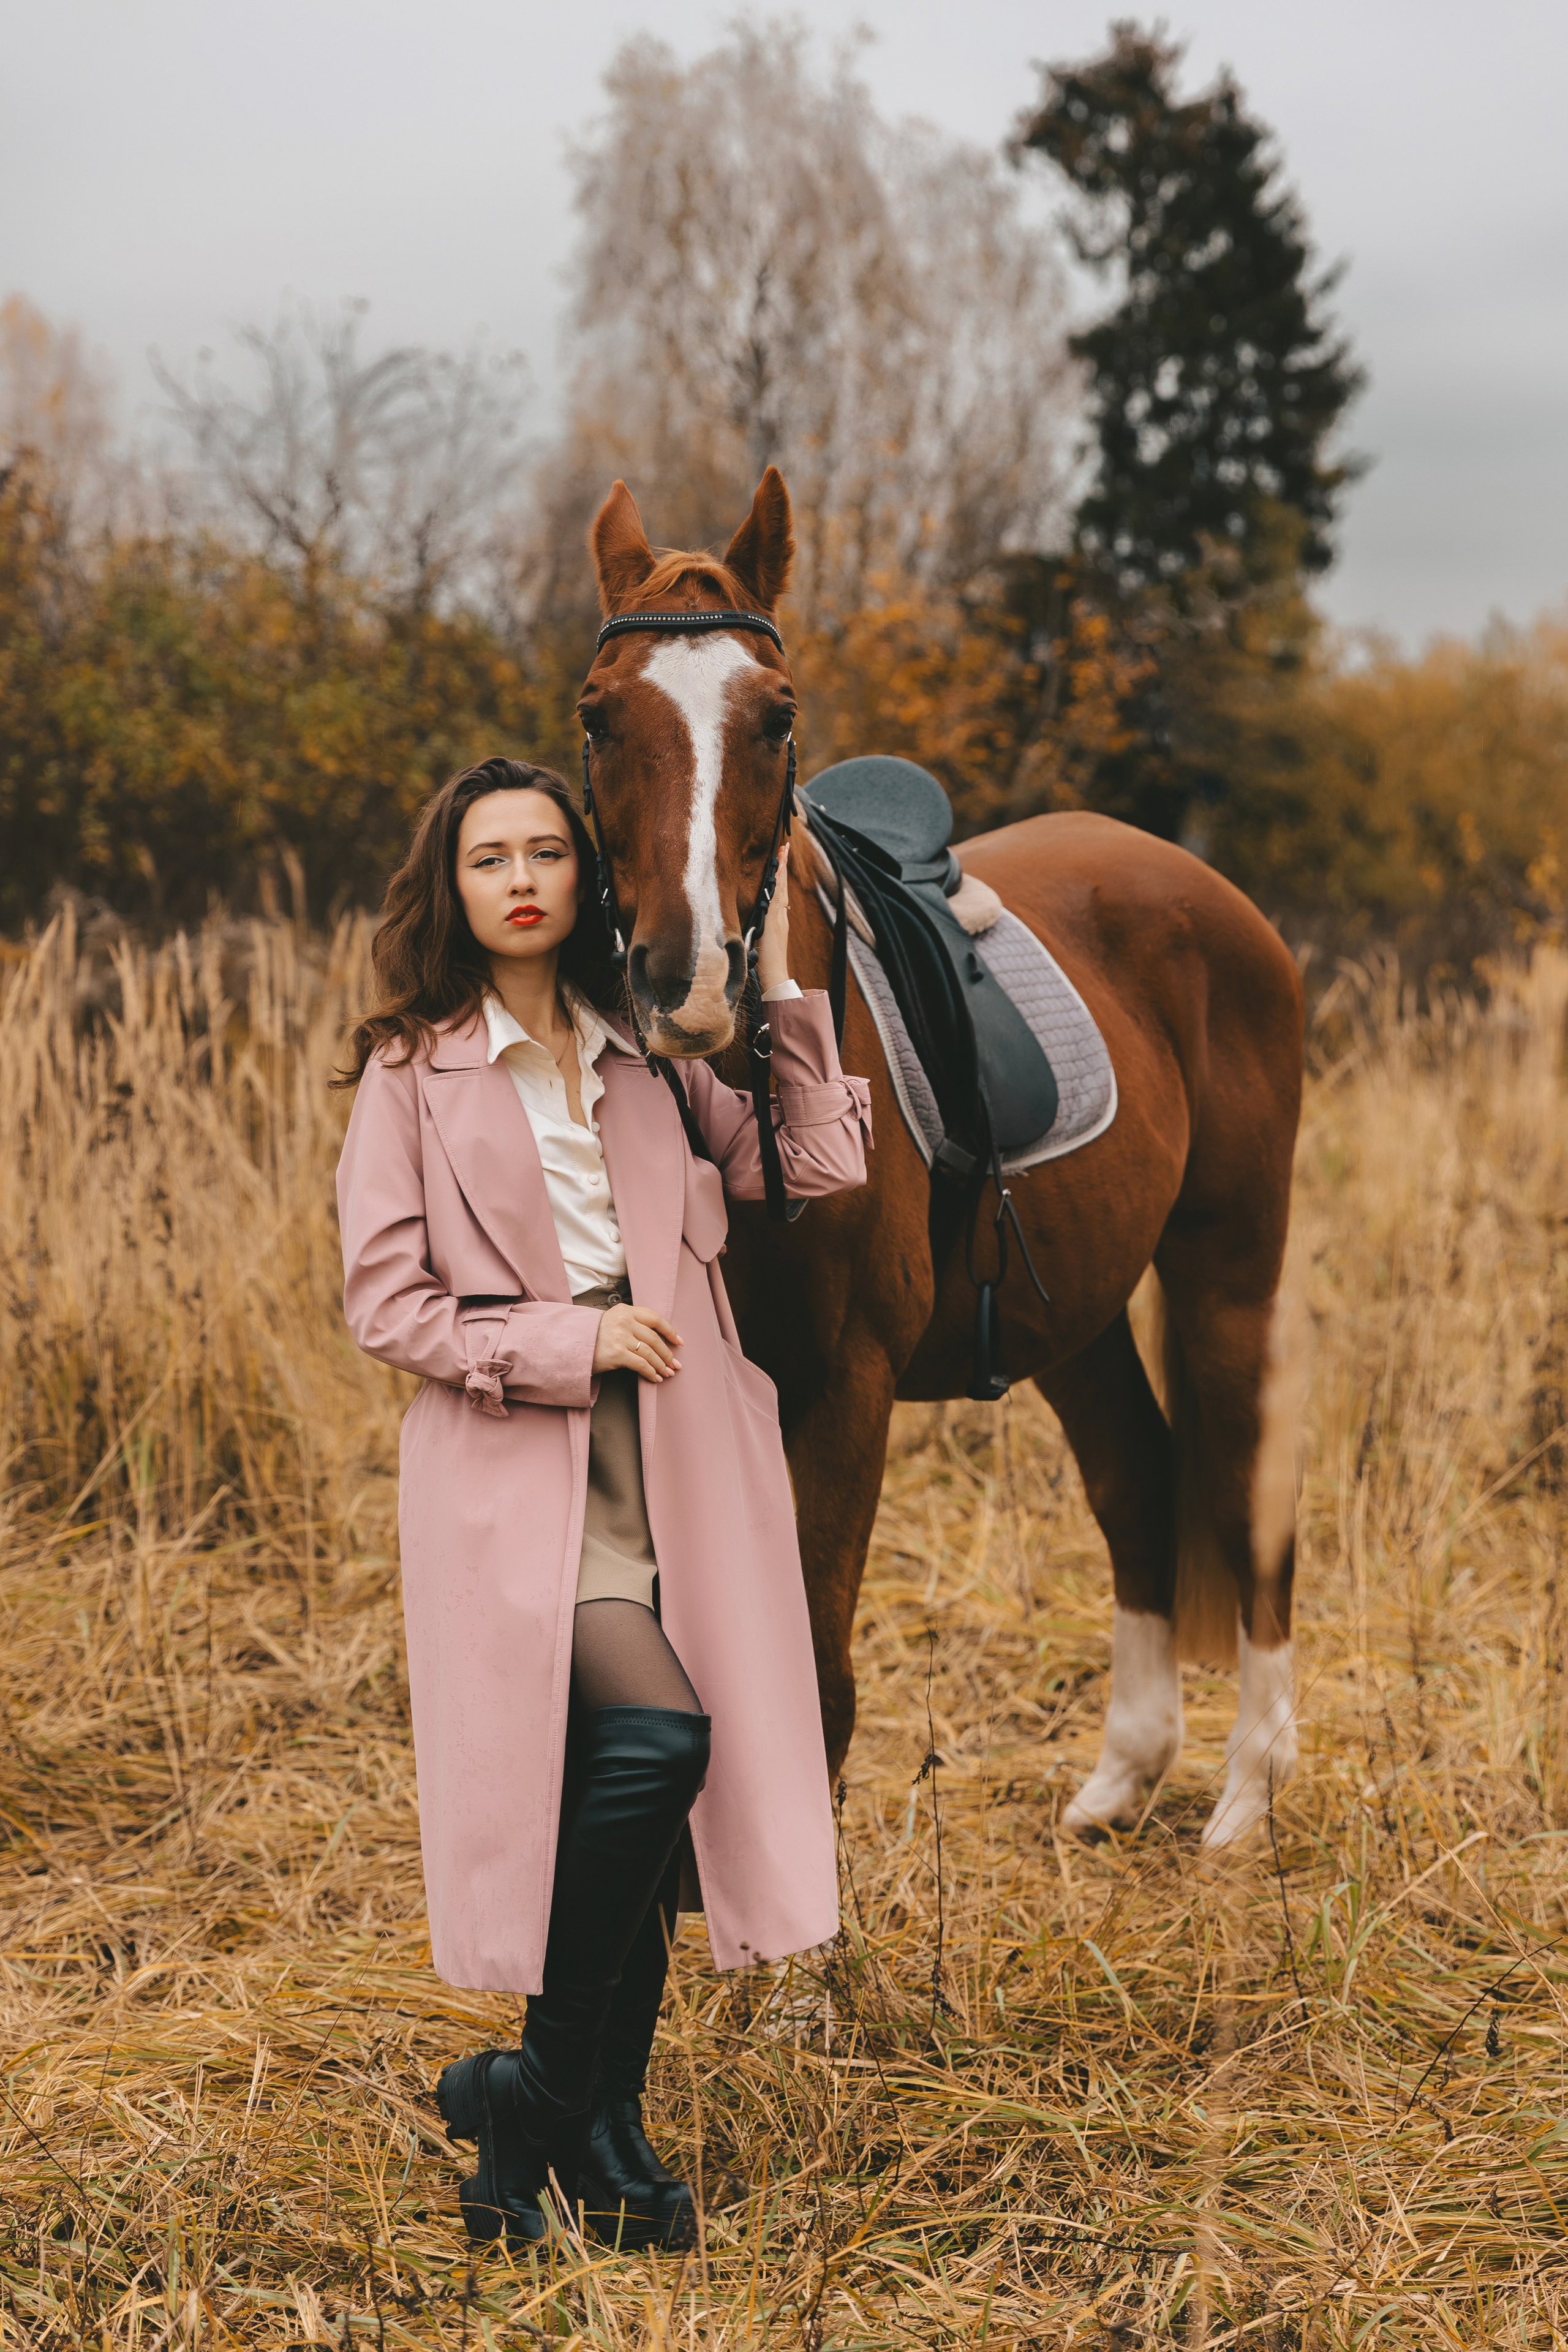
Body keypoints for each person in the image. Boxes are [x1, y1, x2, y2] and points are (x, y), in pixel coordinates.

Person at [335, 756, 870, 2248]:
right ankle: (536, 2082)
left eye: (546, 853)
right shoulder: (408, 1071)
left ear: (589, 877)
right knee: (654, 1738)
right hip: (524, 1480)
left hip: (687, 1467)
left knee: (623, 1809)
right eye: (486, 857)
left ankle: (574, 2134)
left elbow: (808, 1165)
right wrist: (566, 1342)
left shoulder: (649, 1050)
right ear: (450, 888)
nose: (519, 878)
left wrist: (779, 1000)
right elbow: (386, 1303)